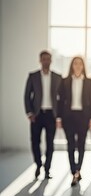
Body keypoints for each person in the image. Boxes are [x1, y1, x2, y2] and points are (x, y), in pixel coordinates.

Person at [57, 56, 91, 186]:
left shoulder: (89, 82)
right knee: (71, 145)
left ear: (83, 66)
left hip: (83, 116)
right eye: (75, 63)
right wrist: (59, 118)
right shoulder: (65, 81)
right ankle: (73, 171)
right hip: (69, 116)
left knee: (81, 145)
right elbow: (60, 101)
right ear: (72, 66)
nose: (78, 66)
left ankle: (79, 169)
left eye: (80, 63)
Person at [24, 51, 62, 179]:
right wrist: (29, 113)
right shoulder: (33, 76)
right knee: (35, 142)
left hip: (51, 115)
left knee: (50, 143)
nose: (46, 61)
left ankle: (47, 169)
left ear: (51, 61)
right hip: (37, 115)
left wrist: (59, 116)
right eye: (44, 59)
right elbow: (27, 96)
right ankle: (38, 165)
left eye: (48, 59)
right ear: (40, 60)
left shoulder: (57, 77)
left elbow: (62, 98)